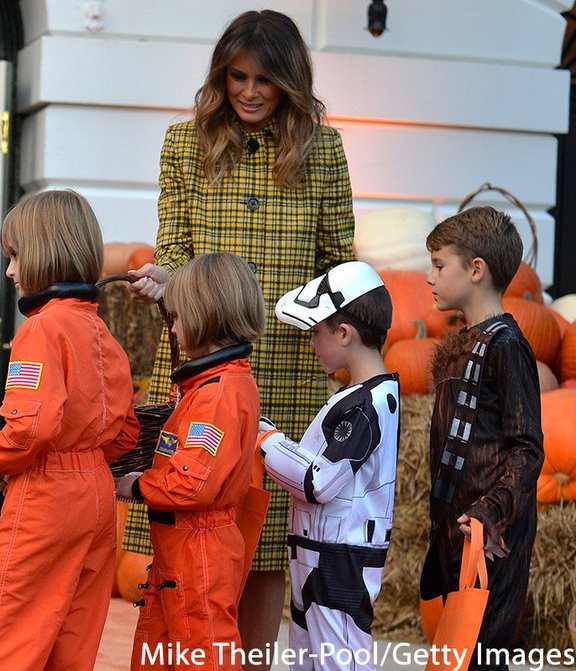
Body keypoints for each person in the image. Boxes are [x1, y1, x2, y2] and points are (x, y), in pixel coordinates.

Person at [126, 10, 355, 664]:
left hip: (286, 363)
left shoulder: (323, 149)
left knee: (268, 544)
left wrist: (332, 337)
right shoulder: (184, 142)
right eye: (237, 77)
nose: (249, 92)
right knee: (192, 526)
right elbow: (175, 245)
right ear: (221, 76)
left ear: (290, 81)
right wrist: (167, 280)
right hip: (202, 362)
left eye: (265, 80)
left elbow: (338, 258)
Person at [0, 189, 139, 671]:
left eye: (15, 256)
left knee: (7, 633)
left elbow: (31, 428)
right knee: (72, 641)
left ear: (43, 254)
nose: (9, 271)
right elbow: (125, 433)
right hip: (97, 495)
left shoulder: (41, 329)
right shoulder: (103, 333)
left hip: (47, 494)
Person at [116, 252, 265, 671]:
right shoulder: (209, 385)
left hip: (199, 550)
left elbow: (192, 484)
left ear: (205, 318)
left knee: (204, 653)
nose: (174, 327)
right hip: (179, 548)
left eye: (178, 317)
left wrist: (136, 484)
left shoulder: (217, 395)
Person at [257, 261, 399, 671]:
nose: (312, 343)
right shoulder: (359, 397)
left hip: (340, 560)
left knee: (339, 660)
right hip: (321, 552)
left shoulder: (367, 405)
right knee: (309, 658)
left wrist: (265, 438)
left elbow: (317, 481)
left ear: (344, 333)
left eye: (316, 332)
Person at [420, 206, 543, 671]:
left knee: (483, 654)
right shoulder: (463, 343)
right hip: (456, 530)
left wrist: (492, 510)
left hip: (491, 536)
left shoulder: (506, 345)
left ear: (476, 270)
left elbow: (527, 446)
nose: (429, 277)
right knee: (458, 653)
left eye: (439, 265)